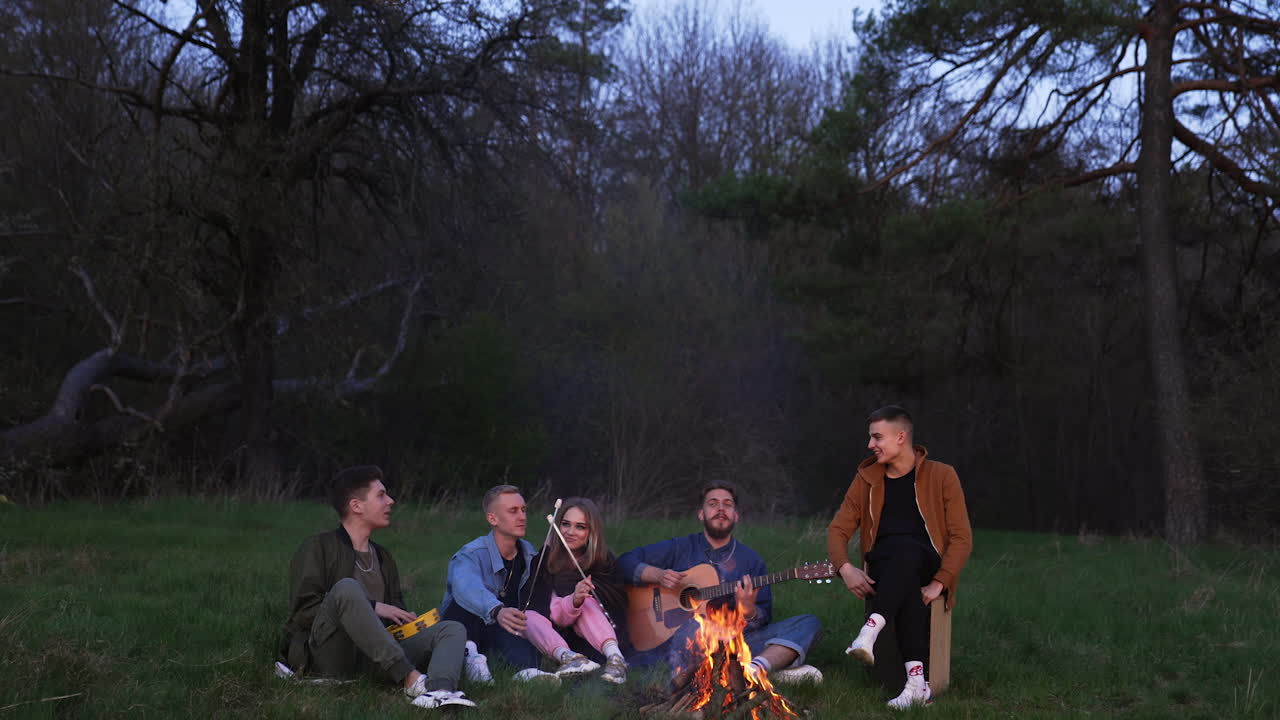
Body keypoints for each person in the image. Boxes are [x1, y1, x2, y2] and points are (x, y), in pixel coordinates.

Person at [276, 465, 476, 710]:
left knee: (451, 628)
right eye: (381, 495)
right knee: (347, 588)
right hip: (330, 655)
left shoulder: (383, 556)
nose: (390, 501)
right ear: (356, 506)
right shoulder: (317, 547)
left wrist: (414, 625)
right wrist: (374, 607)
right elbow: (303, 611)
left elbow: (394, 615)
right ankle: (410, 678)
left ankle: (440, 692)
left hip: (376, 658)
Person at [826, 405, 973, 710]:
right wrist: (846, 568)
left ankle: (870, 630)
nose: (870, 445)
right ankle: (917, 685)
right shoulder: (866, 479)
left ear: (901, 437)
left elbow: (962, 537)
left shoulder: (942, 475)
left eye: (877, 437)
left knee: (907, 551)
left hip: (928, 562)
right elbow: (838, 530)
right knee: (902, 569)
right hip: (887, 565)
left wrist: (939, 583)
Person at [617, 480, 824, 685]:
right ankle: (756, 672)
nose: (720, 509)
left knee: (809, 623)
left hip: (734, 642)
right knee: (696, 627)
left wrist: (749, 610)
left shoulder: (751, 561)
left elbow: (763, 619)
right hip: (681, 643)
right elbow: (624, 562)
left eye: (727, 504)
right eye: (713, 503)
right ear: (701, 514)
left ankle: (754, 669)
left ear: (736, 515)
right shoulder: (679, 547)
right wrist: (657, 574)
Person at [440, 484, 559, 683]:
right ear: (492, 518)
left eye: (523, 510)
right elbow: (466, 587)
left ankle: (526, 672)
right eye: (513, 511)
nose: (522, 516)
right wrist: (496, 610)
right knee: (464, 607)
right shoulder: (471, 554)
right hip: (469, 625)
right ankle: (472, 659)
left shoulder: (529, 553)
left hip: (505, 627)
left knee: (523, 648)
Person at [523, 497, 630, 683]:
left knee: (588, 602)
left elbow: (616, 602)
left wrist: (580, 598)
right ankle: (569, 658)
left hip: (593, 638)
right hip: (555, 634)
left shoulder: (603, 561)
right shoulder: (545, 558)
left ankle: (616, 660)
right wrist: (572, 599)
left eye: (580, 527)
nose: (570, 532)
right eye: (565, 524)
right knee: (527, 616)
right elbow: (539, 604)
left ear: (591, 531)